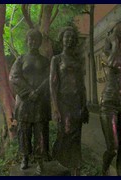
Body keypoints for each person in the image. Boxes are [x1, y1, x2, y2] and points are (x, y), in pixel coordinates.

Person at [9, 29, 51, 174]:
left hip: (40, 101)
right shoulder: (21, 59)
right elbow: (14, 77)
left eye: (36, 40)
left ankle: (39, 160)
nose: (33, 42)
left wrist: (38, 92)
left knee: (40, 131)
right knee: (24, 131)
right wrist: (28, 92)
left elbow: (49, 78)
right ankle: (24, 157)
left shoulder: (45, 61)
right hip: (24, 102)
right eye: (30, 39)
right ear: (27, 41)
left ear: (39, 42)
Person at [50, 26, 89, 176]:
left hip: (77, 103)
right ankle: (62, 162)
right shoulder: (57, 59)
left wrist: (85, 106)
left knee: (76, 136)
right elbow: (52, 84)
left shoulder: (78, 60)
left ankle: (75, 167)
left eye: (72, 37)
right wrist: (55, 108)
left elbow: (82, 85)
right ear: (62, 39)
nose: (70, 39)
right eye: (67, 36)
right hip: (63, 102)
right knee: (65, 133)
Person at [100, 21, 121, 176]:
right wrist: (114, 44)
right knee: (113, 148)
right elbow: (113, 62)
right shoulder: (107, 54)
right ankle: (104, 168)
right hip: (109, 104)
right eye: (118, 31)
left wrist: (119, 47)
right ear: (112, 34)